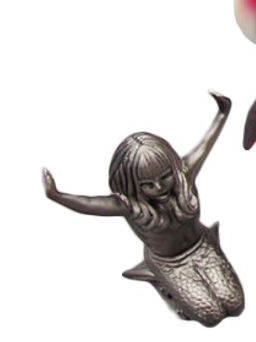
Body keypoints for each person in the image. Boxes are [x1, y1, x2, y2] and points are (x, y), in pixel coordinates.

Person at [43, 92, 244, 326]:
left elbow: (206, 143)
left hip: (201, 246)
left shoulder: (184, 175)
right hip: (169, 262)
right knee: (210, 316)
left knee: (234, 305)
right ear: (132, 187)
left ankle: (186, 280)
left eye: (165, 177)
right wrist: (57, 195)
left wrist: (222, 113)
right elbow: (88, 204)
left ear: (173, 168)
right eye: (148, 185)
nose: (159, 187)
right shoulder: (128, 205)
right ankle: (158, 279)